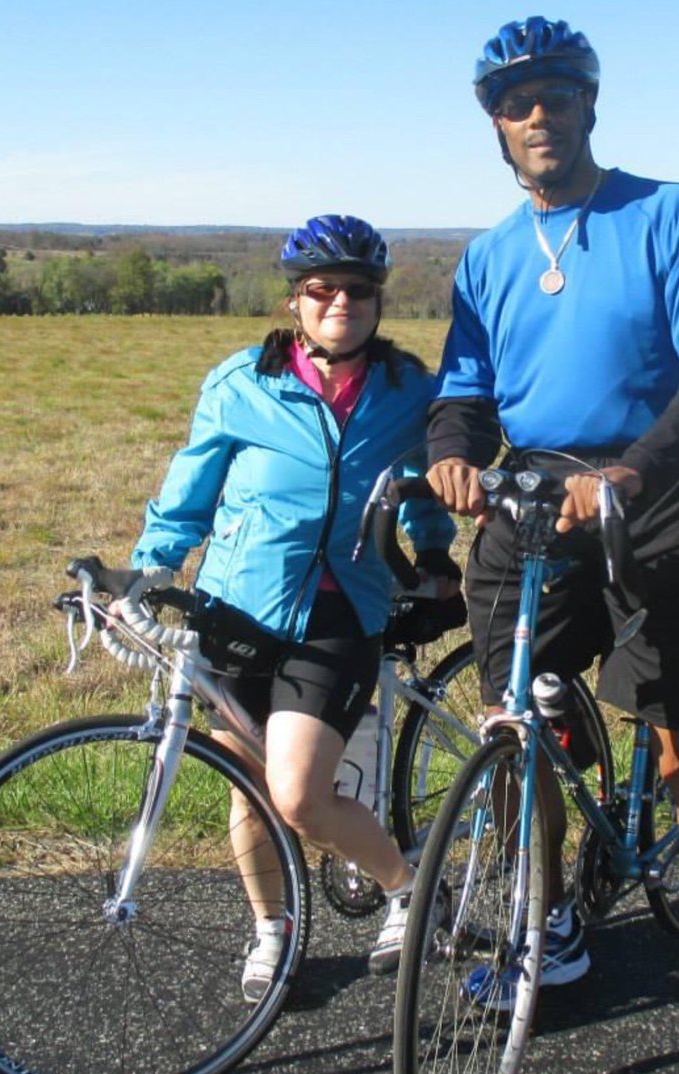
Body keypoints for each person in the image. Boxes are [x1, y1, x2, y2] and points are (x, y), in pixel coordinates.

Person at [426, 17, 679, 1074]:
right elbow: (466, 389)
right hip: (533, 500)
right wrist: (446, 450)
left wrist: (632, 467)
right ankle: (557, 929)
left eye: (555, 92)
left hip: (656, 494)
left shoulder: (664, 211)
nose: (536, 112)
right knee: (514, 724)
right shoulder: (484, 256)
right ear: (493, 123)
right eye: (514, 98)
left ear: (586, 104)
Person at [131, 214, 461, 1001]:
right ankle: (272, 931)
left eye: (357, 289)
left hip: (342, 610)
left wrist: (435, 555)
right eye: (322, 289)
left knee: (298, 794)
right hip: (238, 609)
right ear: (295, 302)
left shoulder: (406, 390)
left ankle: (408, 888)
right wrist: (151, 566)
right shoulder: (242, 383)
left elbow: (419, 486)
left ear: (378, 302)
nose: (339, 301)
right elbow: (192, 485)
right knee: (247, 788)